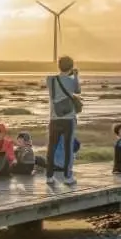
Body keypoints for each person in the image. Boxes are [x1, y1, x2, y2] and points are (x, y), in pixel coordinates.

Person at [46, 55, 81, 186]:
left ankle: (49, 176)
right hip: (68, 119)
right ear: (71, 67)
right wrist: (75, 75)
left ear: (58, 66)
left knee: (51, 148)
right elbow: (78, 90)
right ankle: (67, 177)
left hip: (54, 119)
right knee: (68, 148)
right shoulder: (71, 81)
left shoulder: (50, 80)